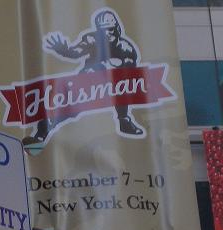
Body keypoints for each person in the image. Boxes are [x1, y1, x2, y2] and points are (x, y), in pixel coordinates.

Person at [23, 9, 145, 147]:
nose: (108, 34)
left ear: (117, 28)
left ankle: (124, 119)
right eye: (103, 30)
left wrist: (111, 69)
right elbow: (77, 52)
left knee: (121, 85)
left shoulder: (127, 49)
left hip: (113, 86)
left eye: (110, 29)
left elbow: (130, 78)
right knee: (68, 108)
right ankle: (43, 132)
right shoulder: (92, 39)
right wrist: (64, 50)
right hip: (89, 81)